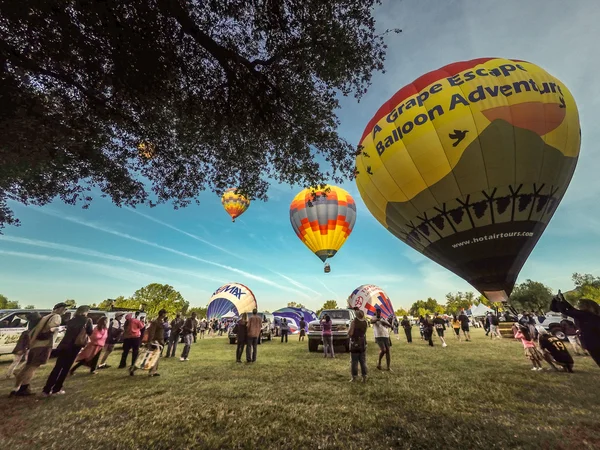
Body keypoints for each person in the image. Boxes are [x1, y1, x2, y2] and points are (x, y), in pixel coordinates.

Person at [11, 303, 67, 397]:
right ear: (59, 309)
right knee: (33, 367)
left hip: (34, 345)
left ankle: (16, 388)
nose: (65, 311)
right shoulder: (56, 316)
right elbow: (51, 328)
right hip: (43, 346)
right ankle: (24, 389)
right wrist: (58, 329)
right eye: (65, 309)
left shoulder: (45, 317)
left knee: (27, 367)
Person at [42, 305, 93, 396]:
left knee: (57, 367)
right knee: (65, 368)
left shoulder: (71, 320)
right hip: (75, 346)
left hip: (64, 345)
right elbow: (90, 332)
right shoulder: (87, 320)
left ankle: (47, 389)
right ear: (85, 312)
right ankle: (57, 389)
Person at [551, 295, 600, 368]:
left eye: (579, 305)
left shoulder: (584, 314)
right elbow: (572, 309)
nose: (578, 306)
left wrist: (558, 302)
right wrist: (563, 301)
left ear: (585, 306)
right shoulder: (590, 315)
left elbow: (565, 311)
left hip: (593, 343)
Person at [5, 312, 41, 379]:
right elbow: (24, 342)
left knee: (19, 361)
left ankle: (11, 373)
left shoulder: (27, 331)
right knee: (21, 361)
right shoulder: (28, 332)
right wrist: (24, 348)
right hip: (23, 348)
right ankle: (13, 372)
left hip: (23, 348)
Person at [132, 309, 166, 376]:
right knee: (147, 356)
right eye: (165, 313)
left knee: (156, 356)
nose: (165, 315)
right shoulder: (155, 322)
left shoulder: (161, 322)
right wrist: (150, 341)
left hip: (159, 341)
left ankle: (153, 371)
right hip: (155, 341)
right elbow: (152, 332)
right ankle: (134, 369)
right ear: (162, 314)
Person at [349, 309, 368, 382]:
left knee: (354, 361)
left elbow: (350, 333)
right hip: (362, 342)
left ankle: (354, 377)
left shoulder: (354, 322)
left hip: (355, 343)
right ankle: (364, 376)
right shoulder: (365, 322)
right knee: (363, 361)